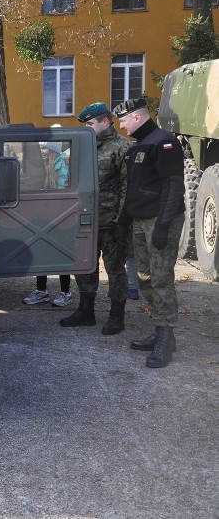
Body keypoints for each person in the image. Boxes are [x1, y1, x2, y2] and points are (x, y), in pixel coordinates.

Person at [113, 97, 185, 368]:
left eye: (123, 119)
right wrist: (123, 221)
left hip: (160, 220)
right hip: (140, 220)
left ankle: (165, 340)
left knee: (161, 279)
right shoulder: (138, 146)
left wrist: (163, 227)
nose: (120, 125)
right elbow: (133, 189)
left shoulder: (164, 142)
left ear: (137, 117)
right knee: (144, 278)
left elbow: (174, 186)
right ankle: (161, 330)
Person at [60, 102, 130, 333]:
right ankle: (86, 311)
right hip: (85, 220)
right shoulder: (82, 147)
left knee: (115, 269)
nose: (87, 128)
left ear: (105, 122)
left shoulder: (122, 147)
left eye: (90, 123)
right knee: (84, 267)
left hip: (110, 222)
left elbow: (126, 188)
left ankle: (116, 316)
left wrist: (122, 222)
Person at [23, 141, 72, 307]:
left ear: (53, 150)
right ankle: (41, 291)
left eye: (45, 148)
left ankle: (66, 292)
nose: (42, 151)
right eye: (40, 148)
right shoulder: (42, 167)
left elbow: (62, 193)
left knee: (61, 255)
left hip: (59, 217)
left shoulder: (62, 166)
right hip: (44, 216)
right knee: (41, 253)